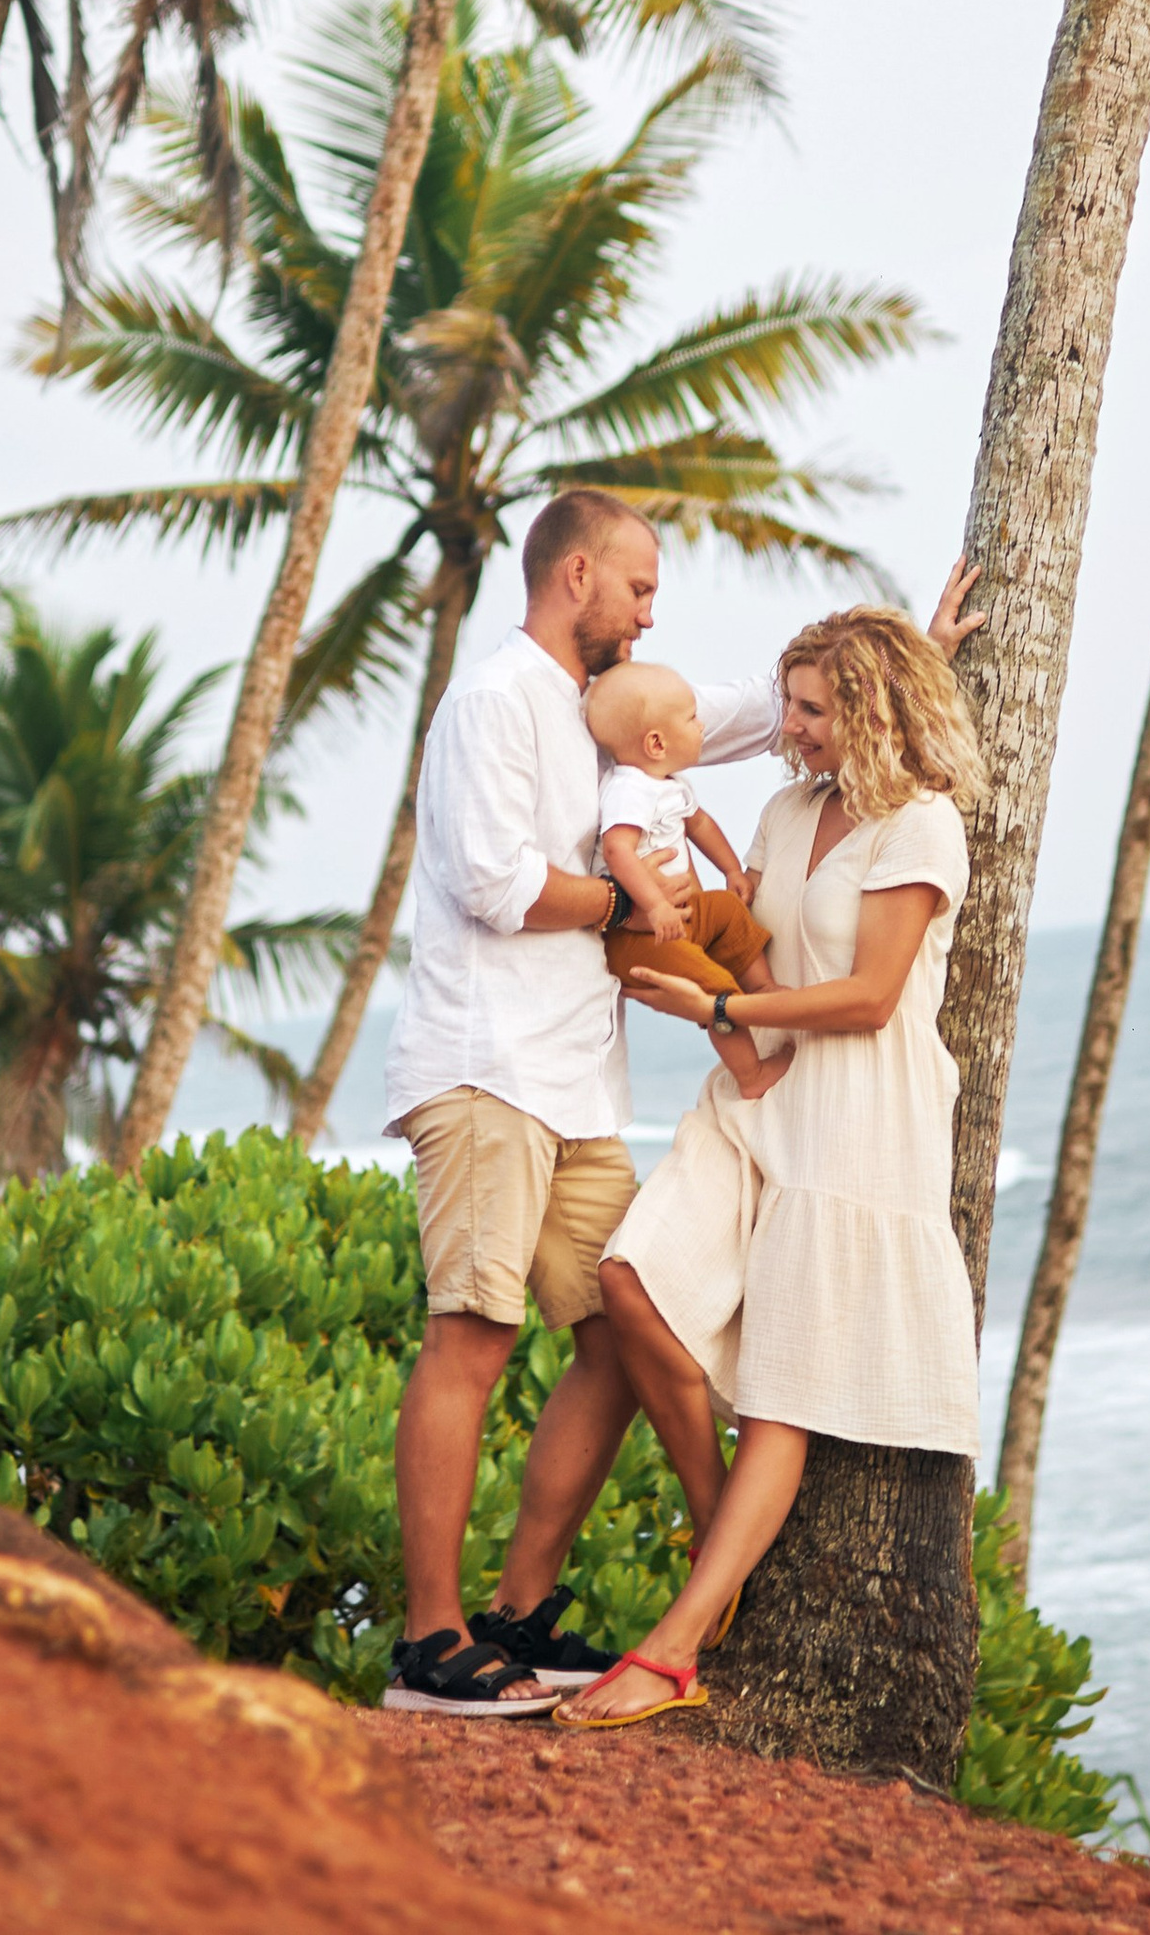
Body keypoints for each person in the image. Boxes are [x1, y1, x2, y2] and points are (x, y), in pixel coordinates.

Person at [558, 586, 987, 1733]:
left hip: (857, 1118)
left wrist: (726, 1001)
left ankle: (677, 1643)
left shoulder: (922, 826)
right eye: (789, 707)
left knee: (784, 1404)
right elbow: (750, 954)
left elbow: (870, 995)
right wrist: (704, 997)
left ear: (870, 710)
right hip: (755, 1088)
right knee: (629, 1282)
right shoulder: (789, 813)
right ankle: (724, 1543)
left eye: (808, 711)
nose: (786, 730)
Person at [377, 487, 731, 1713]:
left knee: (625, 1333)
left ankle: (517, 1612)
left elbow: (716, 719)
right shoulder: (491, 701)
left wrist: (893, 657)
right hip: (484, 1068)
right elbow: (489, 882)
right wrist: (628, 908)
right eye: (637, 589)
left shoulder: (599, 719)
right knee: (470, 1339)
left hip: (578, 1086)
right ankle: (429, 1644)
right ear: (574, 575)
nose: (648, 617)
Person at [587, 660, 772, 1008]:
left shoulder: (671, 785)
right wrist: (655, 907)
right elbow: (618, 851)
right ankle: (751, 1064)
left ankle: (765, 989)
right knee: (714, 988)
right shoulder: (630, 790)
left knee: (728, 910)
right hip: (640, 932)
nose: (701, 726)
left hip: (680, 914)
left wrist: (731, 870)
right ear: (656, 743)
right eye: (692, 719)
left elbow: (700, 825)